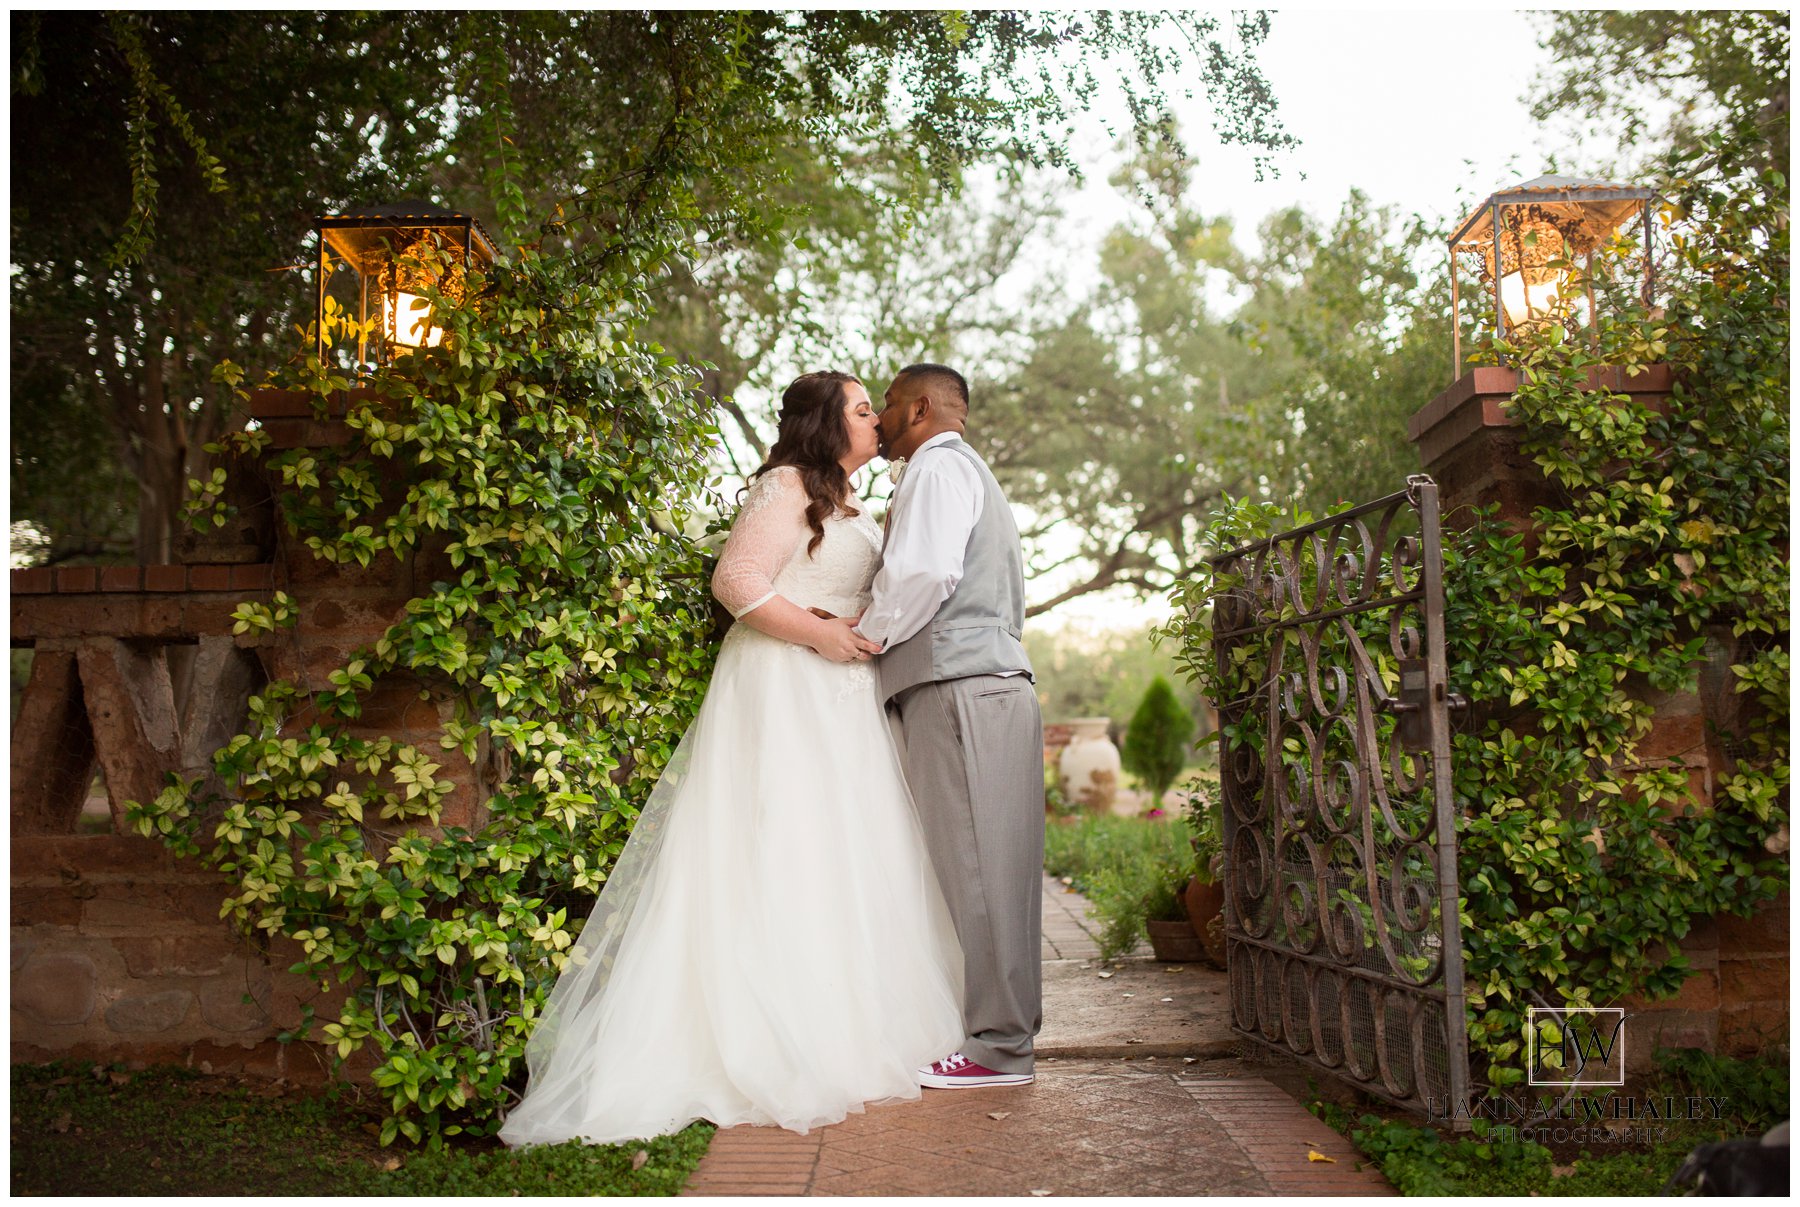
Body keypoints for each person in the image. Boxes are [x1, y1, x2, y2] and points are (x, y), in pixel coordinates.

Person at [498, 371, 964, 1147]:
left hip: (841, 697)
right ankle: (753, 1033)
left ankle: (843, 1020)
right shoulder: (786, 485)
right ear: (824, 424)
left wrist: (849, 625)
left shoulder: (854, 501)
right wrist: (818, 634)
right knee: (774, 842)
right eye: (858, 409)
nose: (874, 420)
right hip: (781, 686)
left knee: (842, 853)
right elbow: (737, 580)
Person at [856, 363, 1044, 1089]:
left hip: (961, 684)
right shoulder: (967, 472)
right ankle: (1004, 1037)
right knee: (997, 868)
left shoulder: (936, 469)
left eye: (892, 404)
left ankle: (998, 1049)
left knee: (979, 869)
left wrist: (867, 634)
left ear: (923, 408)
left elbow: (925, 575)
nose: (882, 421)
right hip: (987, 682)